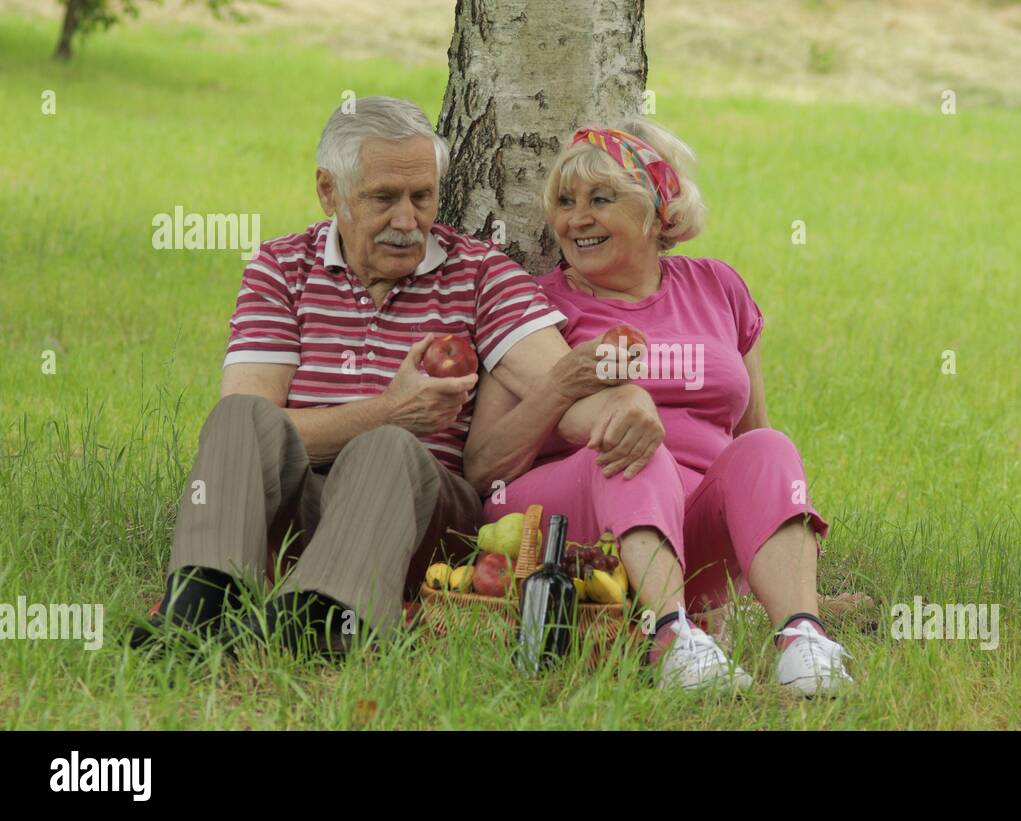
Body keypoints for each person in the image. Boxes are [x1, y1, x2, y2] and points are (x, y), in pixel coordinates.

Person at [128, 97, 664, 657]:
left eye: (422, 197)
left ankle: (322, 621)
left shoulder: (480, 274)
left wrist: (627, 403)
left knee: (387, 447)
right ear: (329, 191)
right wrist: (390, 410)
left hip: (417, 514)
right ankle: (197, 608)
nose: (407, 222)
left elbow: (562, 385)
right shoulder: (281, 268)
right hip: (304, 509)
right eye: (383, 199)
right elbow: (254, 432)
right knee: (239, 416)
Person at [465, 120, 853, 695]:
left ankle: (802, 640)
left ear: (657, 209)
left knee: (769, 447)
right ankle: (672, 639)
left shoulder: (718, 287)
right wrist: (569, 392)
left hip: (689, 526)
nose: (576, 219)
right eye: (566, 202)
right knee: (632, 442)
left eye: (600, 199)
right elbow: (483, 468)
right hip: (575, 520)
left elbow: (751, 440)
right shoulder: (535, 306)